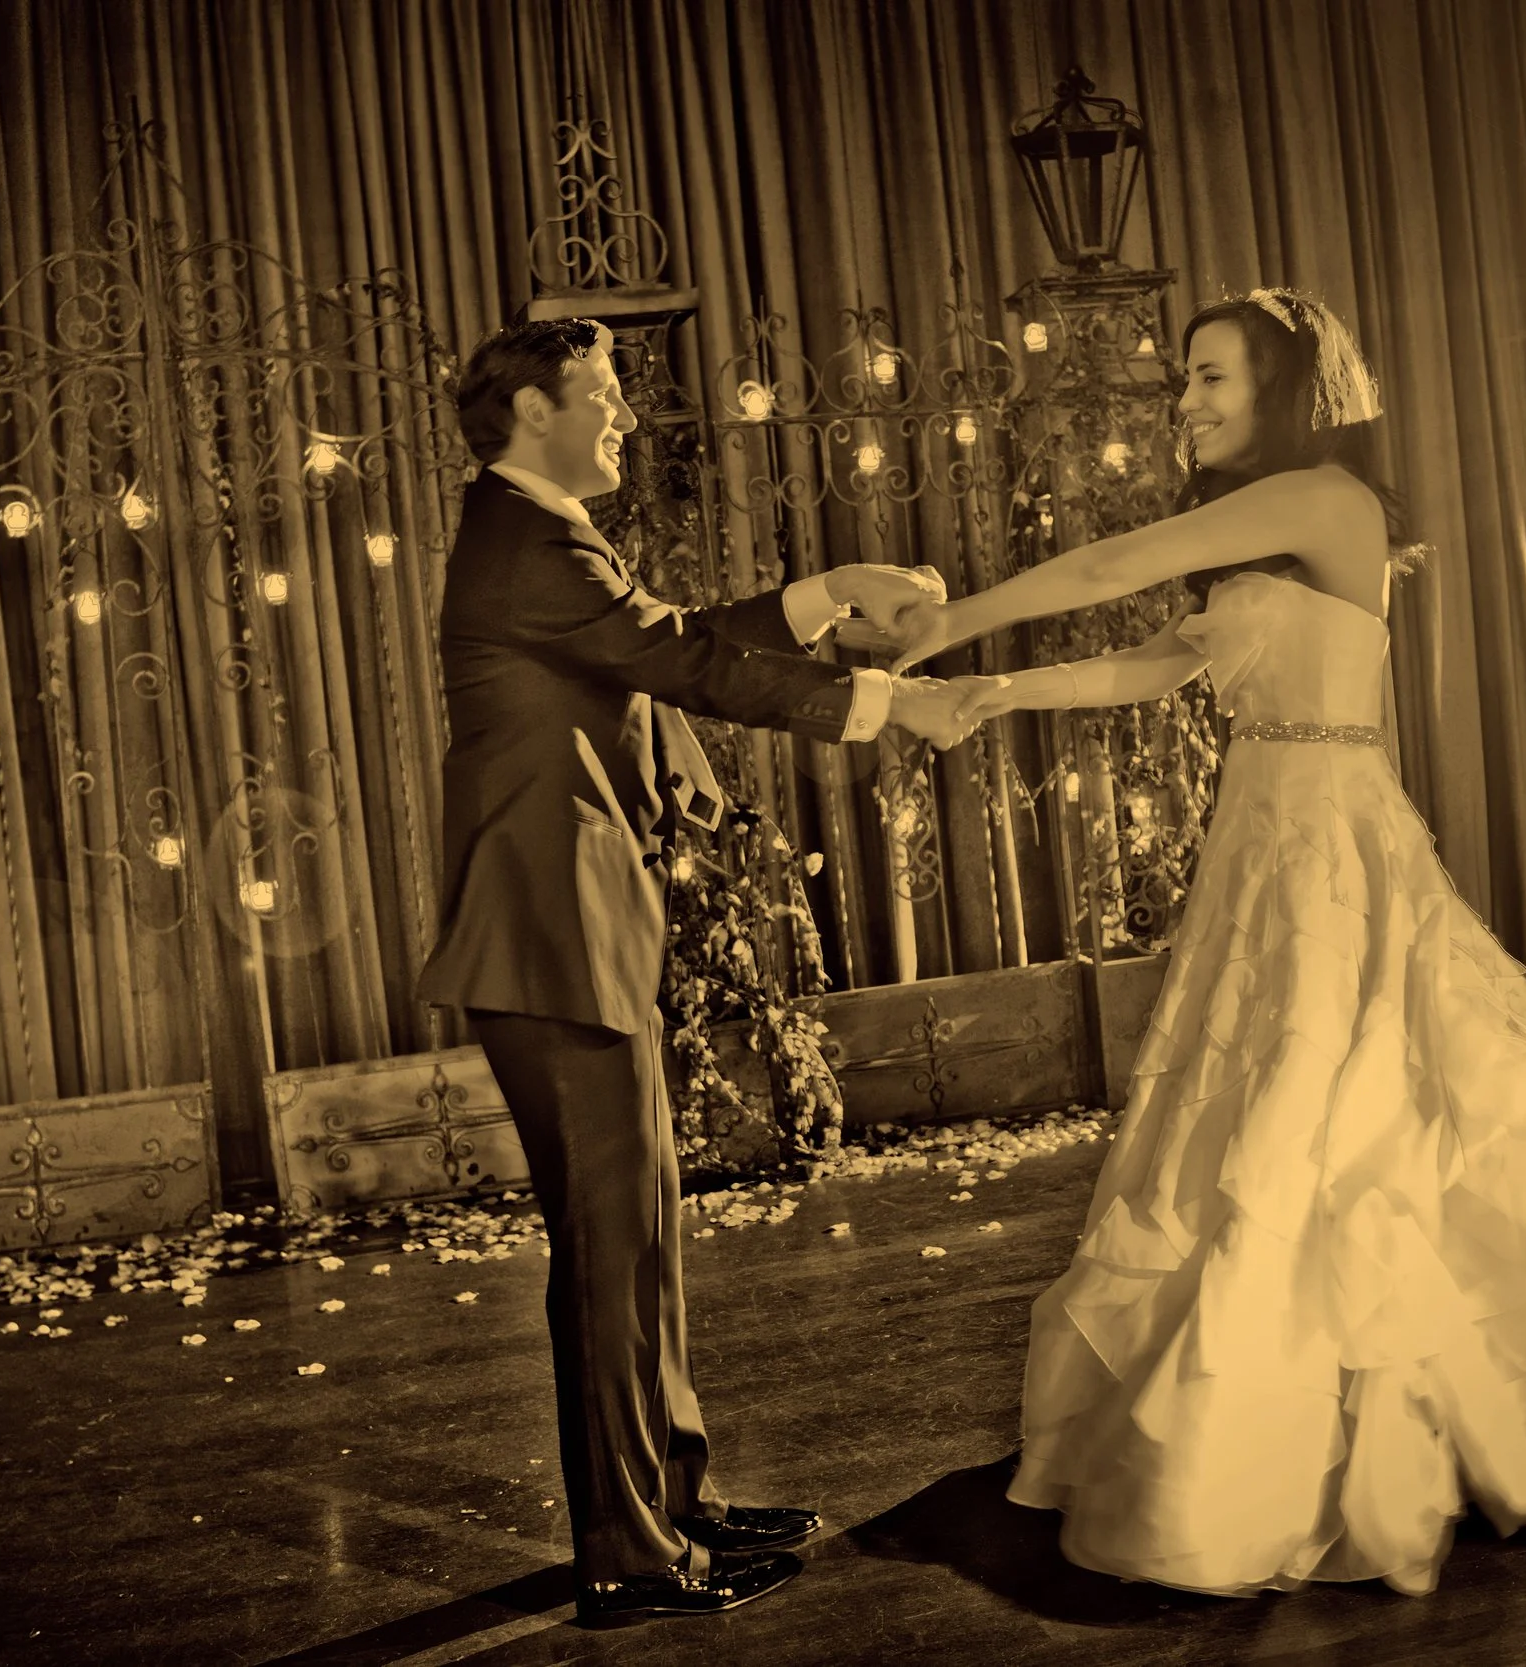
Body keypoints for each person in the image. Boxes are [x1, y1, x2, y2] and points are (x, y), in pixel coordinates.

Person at [886, 288, 1526, 1597]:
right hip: (1261, 847)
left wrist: (948, 622)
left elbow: (1108, 569)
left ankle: (1287, 1447)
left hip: (1326, 847)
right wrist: (988, 691)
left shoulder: (1325, 501)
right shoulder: (1264, 540)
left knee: (1306, 1128)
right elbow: (1153, 660)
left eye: (1211, 377)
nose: (1187, 404)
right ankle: (1306, 1418)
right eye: (1184, 383)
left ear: (1287, 387)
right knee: (1261, 1134)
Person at [416, 317, 1009, 1621]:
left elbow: (670, 638)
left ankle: (673, 1503)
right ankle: (632, 1557)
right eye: (601, 392)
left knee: (639, 1241)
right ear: (526, 412)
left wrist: (836, 586)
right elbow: (680, 659)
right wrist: (889, 703)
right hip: (549, 939)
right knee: (613, 1247)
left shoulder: (538, 534)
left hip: (575, 934)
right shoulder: (529, 543)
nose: (622, 413)